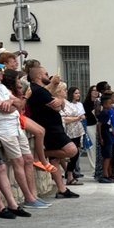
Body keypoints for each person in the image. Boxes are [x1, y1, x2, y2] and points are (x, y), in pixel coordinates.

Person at [0, 59, 47, 210]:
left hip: (16, 126)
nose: (1, 72)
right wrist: (13, 104)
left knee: (28, 158)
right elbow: (6, 108)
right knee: (18, 161)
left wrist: (11, 103)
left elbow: (18, 105)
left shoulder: (2, 87)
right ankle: (28, 197)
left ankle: (33, 195)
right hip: (4, 129)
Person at [23, 61, 78, 199]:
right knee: (72, 150)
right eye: (46, 74)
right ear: (39, 76)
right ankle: (41, 154)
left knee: (55, 161)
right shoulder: (38, 90)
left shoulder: (41, 90)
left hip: (53, 126)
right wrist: (60, 99)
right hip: (50, 128)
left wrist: (59, 101)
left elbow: (59, 106)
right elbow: (56, 106)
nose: (49, 76)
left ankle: (62, 189)